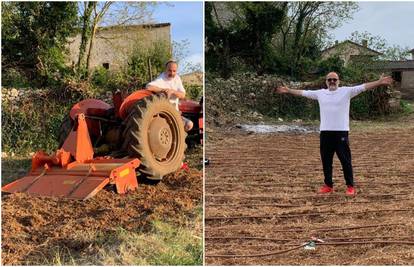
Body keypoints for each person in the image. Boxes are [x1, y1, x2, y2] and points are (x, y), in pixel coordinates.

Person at [275, 72, 393, 195]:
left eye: (334, 80)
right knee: (326, 161)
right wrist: (288, 90)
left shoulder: (347, 91)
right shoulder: (320, 93)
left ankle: (350, 186)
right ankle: (328, 185)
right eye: (329, 80)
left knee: (345, 160)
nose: (332, 82)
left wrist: (379, 82)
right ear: (326, 82)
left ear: (338, 81)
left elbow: (363, 87)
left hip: (341, 132)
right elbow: (304, 93)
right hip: (325, 133)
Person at [146, 60, 193, 131]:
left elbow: (183, 95)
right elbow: (148, 87)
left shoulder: (177, 78)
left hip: (175, 111)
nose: (172, 73)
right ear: (166, 70)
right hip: (163, 111)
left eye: (174, 71)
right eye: (169, 70)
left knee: (189, 124)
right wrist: (163, 90)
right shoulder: (161, 78)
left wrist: (173, 91)